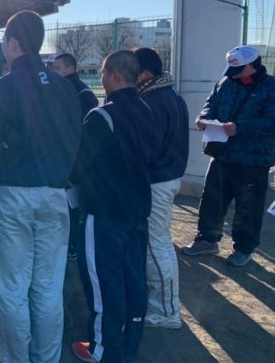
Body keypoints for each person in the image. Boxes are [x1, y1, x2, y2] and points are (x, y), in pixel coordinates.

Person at [0, 11, 81, 363]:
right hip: (55, 194)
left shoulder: (0, 88)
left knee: (12, 287)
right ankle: (46, 358)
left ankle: (16, 358)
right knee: (49, 286)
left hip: (10, 196)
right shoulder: (66, 88)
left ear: (13, 42)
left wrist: (6, 147)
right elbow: (75, 141)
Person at [70, 50, 154, 363]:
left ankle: (103, 350)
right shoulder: (146, 110)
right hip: (137, 211)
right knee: (133, 280)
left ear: (115, 76)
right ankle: (129, 346)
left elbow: (78, 165)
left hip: (104, 213)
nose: (101, 78)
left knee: (103, 284)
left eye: (104, 72)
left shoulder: (102, 116)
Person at [183, 45, 275, 267]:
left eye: (239, 69)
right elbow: (211, 104)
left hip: (253, 159)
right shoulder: (225, 82)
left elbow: (271, 121)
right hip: (221, 154)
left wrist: (239, 128)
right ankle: (207, 239)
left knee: (248, 206)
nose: (234, 75)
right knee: (211, 200)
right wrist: (203, 118)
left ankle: (243, 248)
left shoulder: (271, 87)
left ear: (253, 65)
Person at [134, 47, 189, 330]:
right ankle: (165, 306)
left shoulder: (154, 100)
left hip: (157, 181)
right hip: (166, 177)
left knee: (155, 246)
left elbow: (147, 149)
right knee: (159, 243)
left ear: (144, 74)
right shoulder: (168, 94)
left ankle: (166, 312)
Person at [53, 52, 99, 261]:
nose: (54, 72)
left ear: (71, 69)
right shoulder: (66, 90)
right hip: (69, 160)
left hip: (73, 162)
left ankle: (73, 245)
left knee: (73, 207)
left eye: (58, 68)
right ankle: (71, 244)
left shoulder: (81, 94)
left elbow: (82, 134)